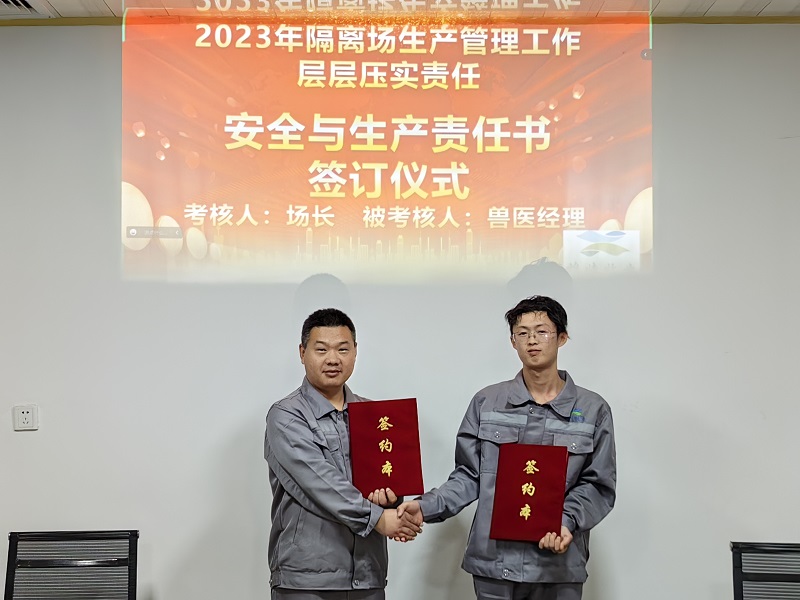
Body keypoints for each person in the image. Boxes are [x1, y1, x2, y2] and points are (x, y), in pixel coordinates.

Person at [398, 296, 616, 600]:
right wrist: (425, 507)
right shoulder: (487, 402)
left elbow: (598, 484)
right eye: (522, 333)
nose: (532, 341)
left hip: (558, 565)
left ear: (562, 338)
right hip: (494, 563)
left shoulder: (593, 409)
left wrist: (565, 520)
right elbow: (469, 476)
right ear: (513, 342)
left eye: (542, 332)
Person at [265, 308, 420, 600]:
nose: (333, 359)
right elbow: (319, 483)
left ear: (355, 352)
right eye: (321, 349)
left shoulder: (376, 416)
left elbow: (389, 479)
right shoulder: (286, 415)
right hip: (307, 579)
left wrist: (391, 500)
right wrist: (379, 519)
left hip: (368, 573)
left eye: (343, 349)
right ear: (302, 353)